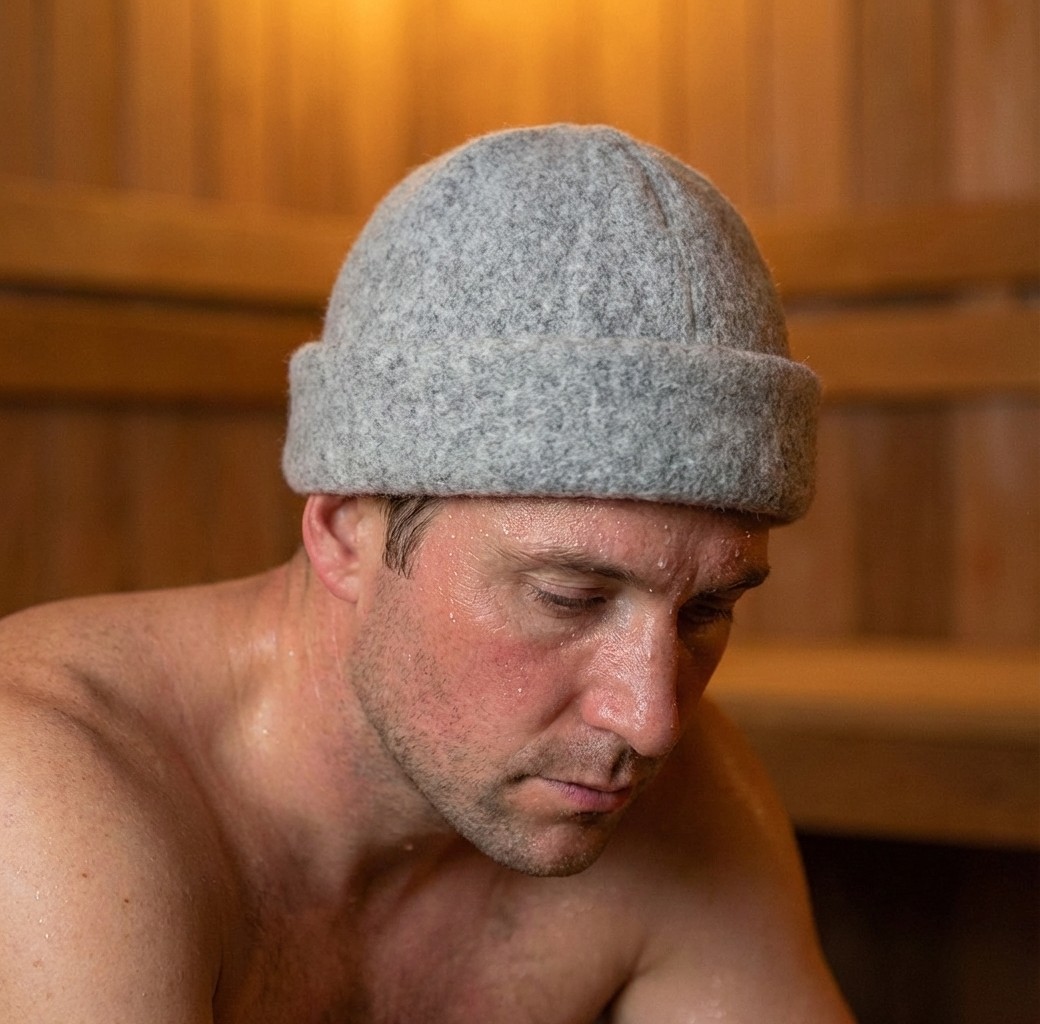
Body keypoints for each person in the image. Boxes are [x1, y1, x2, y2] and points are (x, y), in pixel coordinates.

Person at [0, 125, 854, 1021]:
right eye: (571, 596)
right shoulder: (57, 803)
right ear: (344, 532)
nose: (651, 720)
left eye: (706, 609)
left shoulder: (689, 810)